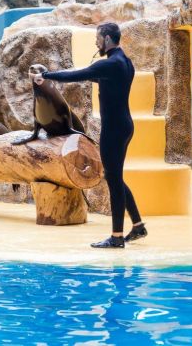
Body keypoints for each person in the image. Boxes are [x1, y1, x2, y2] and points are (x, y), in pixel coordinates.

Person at [40, 22, 145, 248]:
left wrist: (45, 76)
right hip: (125, 126)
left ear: (107, 39)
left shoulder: (109, 63)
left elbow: (79, 74)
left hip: (114, 129)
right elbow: (98, 78)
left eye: (98, 38)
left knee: (113, 180)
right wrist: (91, 74)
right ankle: (138, 226)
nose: (96, 43)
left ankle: (117, 237)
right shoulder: (125, 62)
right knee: (115, 177)